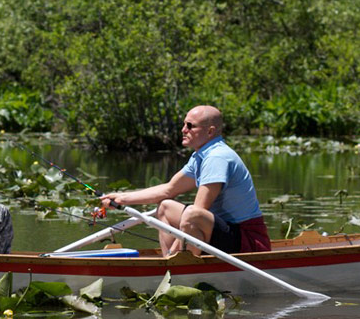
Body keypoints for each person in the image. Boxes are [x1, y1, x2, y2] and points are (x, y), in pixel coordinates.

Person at [100, 105, 270, 256]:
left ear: (210, 131)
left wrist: (177, 248)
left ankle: (176, 262)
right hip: (225, 233)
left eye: (190, 126)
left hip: (250, 242)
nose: (183, 130)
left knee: (192, 213)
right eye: (184, 124)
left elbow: (198, 211)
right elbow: (168, 190)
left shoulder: (217, 157)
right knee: (166, 206)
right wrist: (122, 198)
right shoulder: (200, 156)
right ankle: (173, 261)